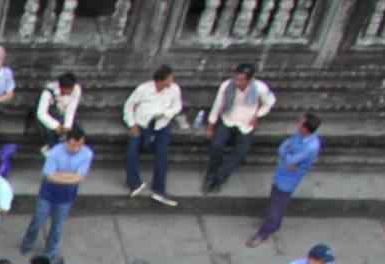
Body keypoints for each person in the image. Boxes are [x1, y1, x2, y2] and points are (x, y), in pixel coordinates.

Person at [245, 114, 323, 248]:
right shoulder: (300, 136)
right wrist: (287, 154)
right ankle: (275, 224)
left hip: (288, 180)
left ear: (305, 129)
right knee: (276, 203)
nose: (298, 123)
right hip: (283, 173)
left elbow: (289, 158)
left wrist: (286, 155)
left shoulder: (311, 146)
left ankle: (264, 233)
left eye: (301, 123)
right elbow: (282, 147)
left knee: (275, 206)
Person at [20, 125, 92, 262]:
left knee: (58, 225)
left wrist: (60, 176)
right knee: (38, 220)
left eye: (80, 145)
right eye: (73, 145)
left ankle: (50, 251)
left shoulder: (87, 153)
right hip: (48, 192)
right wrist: (70, 177)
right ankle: (27, 244)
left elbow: (80, 177)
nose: (76, 149)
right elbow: (49, 175)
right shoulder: (55, 152)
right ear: (66, 141)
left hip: (66, 196)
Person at [201, 63, 275, 193]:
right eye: (235, 78)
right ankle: (210, 175)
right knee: (217, 145)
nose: (236, 82)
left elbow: (270, 102)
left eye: (241, 80)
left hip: (246, 124)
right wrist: (211, 125)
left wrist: (257, 115)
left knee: (240, 153)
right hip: (228, 119)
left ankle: (219, 179)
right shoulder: (226, 86)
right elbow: (217, 105)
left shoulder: (260, 88)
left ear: (249, 80)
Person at [122, 65, 183, 207]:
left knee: (162, 155)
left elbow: (177, 106)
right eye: (170, 78)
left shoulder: (174, 89)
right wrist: (132, 124)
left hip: (161, 125)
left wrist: (166, 113)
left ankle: (159, 190)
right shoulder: (143, 89)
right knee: (132, 151)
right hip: (142, 125)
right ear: (162, 80)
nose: (172, 80)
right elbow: (129, 106)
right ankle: (134, 183)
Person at [33, 72, 82, 142]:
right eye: (68, 89)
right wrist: (56, 126)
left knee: (76, 130)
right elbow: (41, 113)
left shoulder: (76, 89)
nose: (71, 91)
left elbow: (71, 109)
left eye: (72, 88)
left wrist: (67, 126)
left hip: (63, 114)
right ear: (61, 87)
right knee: (52, 134)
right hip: (50, 116)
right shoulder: (48, 92)